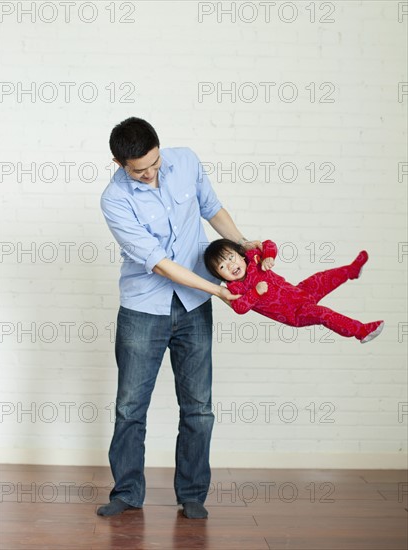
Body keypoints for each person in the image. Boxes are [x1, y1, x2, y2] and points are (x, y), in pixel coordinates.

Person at [98, 117, 258, 519]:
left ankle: (191, 495)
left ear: (159, 148)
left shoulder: (185, 162)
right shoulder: (114, 200)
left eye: (154, 163)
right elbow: (161, 265)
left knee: (199, 407)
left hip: (193, 309)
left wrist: (241, 243)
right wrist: (218, 290)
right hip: (143, 310)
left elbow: (212, 209)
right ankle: (127, 493)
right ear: (119, 163)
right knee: (130, 407)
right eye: (139, 170)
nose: (150, 173)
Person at [204, 238, 384, 343]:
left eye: (231, 257)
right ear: (220, 275)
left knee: (322, 278)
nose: (230, 265)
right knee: (323, 314)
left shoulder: (254, 259)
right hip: (296, 312)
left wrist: (268, 256)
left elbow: (269, 244)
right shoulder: (237, 288)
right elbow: (239, 308)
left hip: (300, 292)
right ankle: (360, 331)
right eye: (222, 266)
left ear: (241, 254)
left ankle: (351, 271)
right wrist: (255, 292)